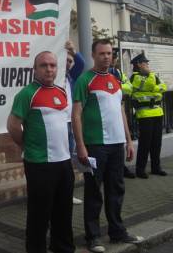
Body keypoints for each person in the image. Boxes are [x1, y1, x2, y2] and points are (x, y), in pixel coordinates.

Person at [72, 39, 143, 253]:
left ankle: (117, 231)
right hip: (95, 145)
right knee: (94, 192)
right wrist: (81, 146)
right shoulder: (85, 80)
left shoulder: (115, 79)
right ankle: (92, 237)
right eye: (102, 53)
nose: (106, 57)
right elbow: (76, 115)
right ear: (93, 55)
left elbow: (120, 111)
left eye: (109, 53)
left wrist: (129, 141)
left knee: (116, 189)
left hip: (116, 145)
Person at [7, 51, 75, 253]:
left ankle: (62, 247)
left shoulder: (61, 92)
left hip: (63, 162)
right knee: (39, 214)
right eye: (44, 65)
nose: (49, 69)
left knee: (63, 211)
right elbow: (12, 125)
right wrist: (26, 146)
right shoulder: (27, 94)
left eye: (53, 65)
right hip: (39, 164)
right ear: (35, 69)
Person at [130, 53, 167, 179]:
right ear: (139, 65)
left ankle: (156, 168)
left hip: (157, 112)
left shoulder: (153, 76)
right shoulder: (135, 77)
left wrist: (154, 87)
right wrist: (153, 85)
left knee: (157, 142)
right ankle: (140, 169)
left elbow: (163, 87)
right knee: (145, 143)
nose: (147, 65)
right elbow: (146, 85)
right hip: (144, 113)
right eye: (145, 63)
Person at [108, 49, 135, 179]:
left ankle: (121, 167)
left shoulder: (118, 72)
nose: (114, 60)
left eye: (115, 58)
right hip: (108, 109)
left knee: (121, 137)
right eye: (113, 57)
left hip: (119, 106)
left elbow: (129, 87)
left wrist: (116, 85)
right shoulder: (103, 72)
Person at [65, 41, 85, 204]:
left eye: (70, 61)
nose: (68, 63)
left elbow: (81, 63)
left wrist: (73, 50)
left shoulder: (71, 77)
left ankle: (67, 194)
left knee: (68, 161)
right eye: (65, 59)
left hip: (69, 124)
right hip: (57, 126)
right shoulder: (52, 77)